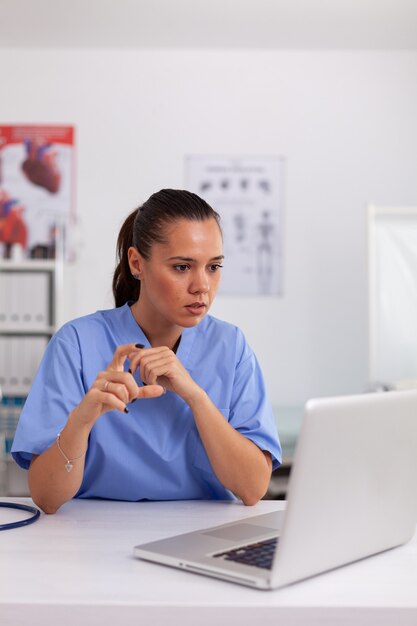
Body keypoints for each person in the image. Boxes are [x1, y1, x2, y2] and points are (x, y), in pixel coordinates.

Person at [11, 189, 281, 514]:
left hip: (200, 537)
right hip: (89, 538)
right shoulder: (76, 343)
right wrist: (81, 422)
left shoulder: (231, 346)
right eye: (182, 267)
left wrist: (194, 396)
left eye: (214, 266)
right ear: (137, 263)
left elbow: (253, 489)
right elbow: (46, 497)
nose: (202, 286)